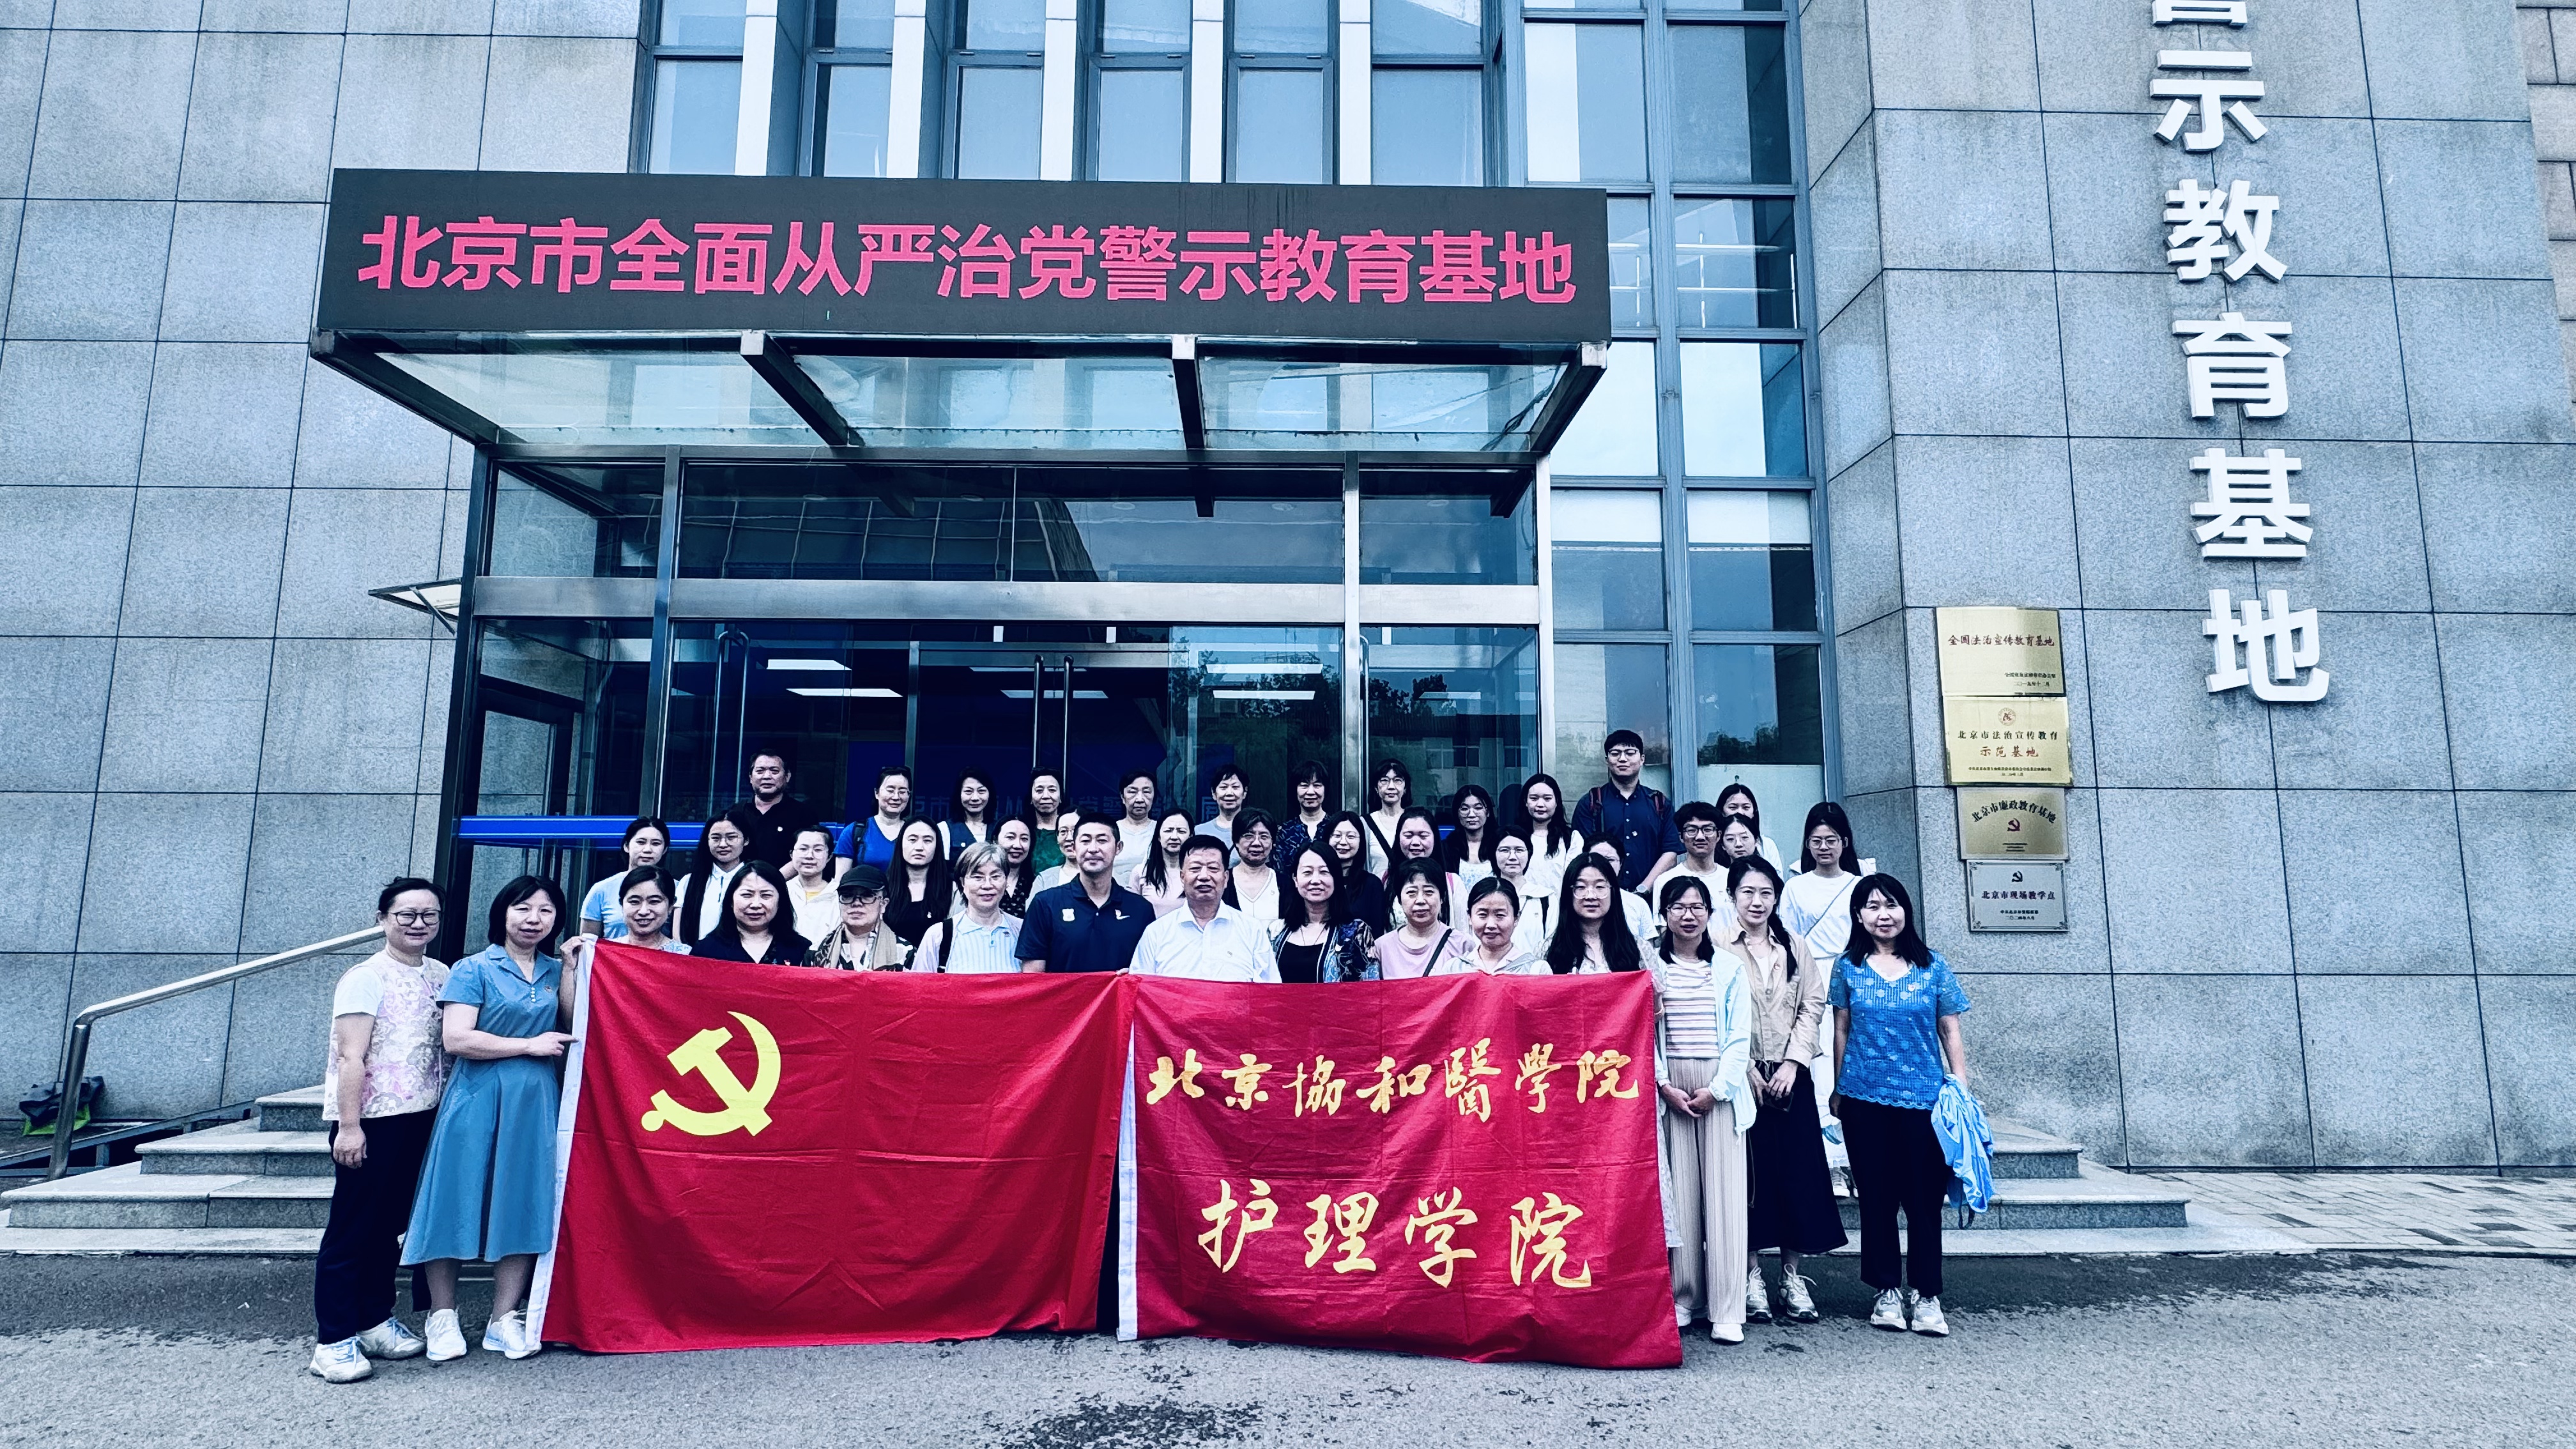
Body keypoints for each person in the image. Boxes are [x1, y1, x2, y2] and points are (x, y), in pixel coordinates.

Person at [402, 875, 575, 1363]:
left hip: (535, 1101)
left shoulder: (555, 969)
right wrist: (528, 1044)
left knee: (523, 1201)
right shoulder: (473, 967)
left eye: (545, 911)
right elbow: (457, 1038)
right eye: (523, 908)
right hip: (477, 1096)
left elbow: (571, 1023)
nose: (533, 919)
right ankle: (442, 1314)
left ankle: (504, 1317)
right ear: (502, 913)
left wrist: (571, 968)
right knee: (453, 1199)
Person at [309, 878, 450, 1384]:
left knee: (388, 1227)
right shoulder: (365, 977)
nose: (418, 923)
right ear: (382, 919)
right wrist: (349, 1127)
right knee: (351, 1229)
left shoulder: (440, 973)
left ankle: (373, 1320)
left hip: (420, 1116)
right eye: (406, 914)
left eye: (429, 915)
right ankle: (333, 1339)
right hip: (371, 1119)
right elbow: (352, 1055)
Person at [1830, 873, 1972, 1338]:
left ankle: (1927, 1295)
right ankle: (1886, 1290)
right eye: (1872, 907)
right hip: (1863, 1101)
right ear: (1859, 917)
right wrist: (1838, 1088)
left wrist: (1960, 1087)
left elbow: (1950, 1029)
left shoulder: (1933, 965)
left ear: (1905, 911)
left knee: (1924, 1202)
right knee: (1876, 1200)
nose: (1883, 915)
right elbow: (1841, 1029)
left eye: (1891, 905)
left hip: (1925, 1102)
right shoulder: (1848, 967)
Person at [1722, 855, 1844, 1324]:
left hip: (1792, 1077)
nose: (1757, 902)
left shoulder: (1794, 944)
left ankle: (1792, 1277)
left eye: (1766, 893)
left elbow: (1813, 1004)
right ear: (1732, 896)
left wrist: (1794, 1063)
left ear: (1777, 898)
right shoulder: (1718, 945)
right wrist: (1744, 1068)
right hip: (1742, 1078)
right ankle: (1751, 1275)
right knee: (1750, 1180)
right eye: (1747, 892)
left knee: (1797, 1176)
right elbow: (1716, 1012)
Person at [1648, 875, 1755, 1343]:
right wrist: (1663, 1084)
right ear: (1664, 914)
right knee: (1682, 1196)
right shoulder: (1652, 967)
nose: (1688, 915)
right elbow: (1644, 1033)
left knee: (1725, 1197)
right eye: (1678, 907)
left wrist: (1719, 1088)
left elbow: (1740, 1036)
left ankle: (1728, 1306)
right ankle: (1686, 1296)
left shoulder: (1729, 967)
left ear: (1710, 914)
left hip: (1719, 1084)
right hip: (1672, 1084)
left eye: (1697, 907)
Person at [1130, 835, 1281, 981]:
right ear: (1182, 877)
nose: (1204, 876)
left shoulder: (1252, 930)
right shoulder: (1156, 933)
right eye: (1195, 868)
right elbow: (1139, 988)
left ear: (1226, 878)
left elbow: (1271, 990)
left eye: (1213, 868)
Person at [1016, 816, 1154, 974]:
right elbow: (1033, 976)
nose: (1093, 849)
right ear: (1074, 848)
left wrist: (1134, 975)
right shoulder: (1045, 904)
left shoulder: (1141, 909)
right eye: (1085, 841)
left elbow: (1149, 972)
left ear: (1118, 848)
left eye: (1102, 841)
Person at [1572, 730, 1681, 895]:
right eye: (1615, 753)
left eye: (1630, 753)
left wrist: (1644, 889)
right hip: (1603, 897)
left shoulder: (1659, 803)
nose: (1623, 759)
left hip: (1649, 897)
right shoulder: (1590, 803)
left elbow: (1670, 854)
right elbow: (1583, 854)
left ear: (1642, 759)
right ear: (1607, 760)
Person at [1272, 843, 1377, 983]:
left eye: (1324, 872)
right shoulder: (1276, 931)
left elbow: (1371, 987)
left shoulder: (1356, 932)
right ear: (1295, 879)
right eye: (1307, 872)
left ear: (1336, 879)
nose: (1316, 880)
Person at [913, 842, 1023, 974]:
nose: (987, 885)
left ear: (1006, 881)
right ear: (963, 883)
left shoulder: (1022, 931)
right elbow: (919, 985)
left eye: (996, 877)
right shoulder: (938, 936)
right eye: (978, 877)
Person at [1781, 802, 1866, 962]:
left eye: (1831, 841)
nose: (1823, 847)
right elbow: (1788, 934)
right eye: (1816, 841)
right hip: (1809, 967)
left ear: (1844, 842)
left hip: (1851, 966)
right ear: (1808, 844)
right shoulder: (1794, 887)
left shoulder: (1859, 885)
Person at [691, 861, 811, 966]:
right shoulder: (705, 952)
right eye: (747, 895)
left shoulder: (801, 950)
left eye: (766, 895)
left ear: (780, 902)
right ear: (731, 901)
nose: (756, 904)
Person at [1544, 857, 1643, 976]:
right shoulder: (1548, 949)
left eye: (1600, 887)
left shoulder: (1639, 948)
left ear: (1613, 892)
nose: (1591, 896)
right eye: (1581, 887)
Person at [1374, 859, 1469, 979]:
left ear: (1442, 897)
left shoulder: (1463, 945)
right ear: (1399, 900)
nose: (1420, 900)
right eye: (1411, 892)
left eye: (1429, 892)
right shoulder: (1381, 948)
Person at [1432, 876, 1544, 976]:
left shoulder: (1536, 971)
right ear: (1469, 917)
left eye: (1500, 915)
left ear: (1516, 918)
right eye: (1483, 915)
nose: (1491, 925)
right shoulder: (1454, 969)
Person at [578, 816, 668, 939]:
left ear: (665, 849)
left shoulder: (678, 889)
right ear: (626, 846)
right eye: (641, 842)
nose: (648, 849)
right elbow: (588, 942)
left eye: (656, 843)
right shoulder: (602, 889)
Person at [804, 864, 907, 970]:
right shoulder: (816, 952)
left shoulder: (905, 953)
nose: (856, 903)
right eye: (847, 896)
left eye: (867, 896)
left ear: (883, 904)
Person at [677, 808, 754, 946]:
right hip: (695, 957)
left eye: (731, 837)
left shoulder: (758, 881)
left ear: (746, 840)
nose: (723, 844)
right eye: (716, 838)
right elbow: (678, 935)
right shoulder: (689, 882)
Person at [735, 749, 824, 868]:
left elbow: (807, 855)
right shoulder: (736, 813)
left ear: (787, 776)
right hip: (742, 878)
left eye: (774, 771)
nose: (767, 776)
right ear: (751, 777)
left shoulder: (804, 815)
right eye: (760, 771)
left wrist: (774, 878)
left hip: (786, 879)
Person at [1381, 806, 1461, 928]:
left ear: (1435, 838)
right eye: (1408, 836)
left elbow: (1462, 932)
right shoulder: (1384, 880)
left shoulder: (1453, 883)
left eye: (1423, 836)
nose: (1415, 842)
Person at [1517, 773, 1588, 903]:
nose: (1540, 804)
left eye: (1547, 799)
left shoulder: (1571, 839)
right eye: (1534, 798)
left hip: (1558, 909)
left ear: (1557, 802)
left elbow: (1573, 879)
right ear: (1525, 802)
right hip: (1522, 908)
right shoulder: (1514, 837)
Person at [834, 764, 914, 873]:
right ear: (877, 793)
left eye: (902, 792)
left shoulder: (915, 832)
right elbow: (841, 879)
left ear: (909, 796)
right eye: (890, 790)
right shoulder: (854, 831)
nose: (896, 797)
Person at [1318, 811, 1386, 937]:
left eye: (1351, 836)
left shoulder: (1372, 884)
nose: (1343, 842)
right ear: (1327, 839)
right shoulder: (1318, 881)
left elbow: (1377, 934)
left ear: (1361, 841)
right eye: (1337, 836)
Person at [884, 818, 951, 947]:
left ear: (937, 846)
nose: (919, 847)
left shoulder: (953, 890)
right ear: (901, 844)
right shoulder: (883, 889)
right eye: (912, 840)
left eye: (927, 841)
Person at [1223, 810, 1282, 937]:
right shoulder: (1222, 882)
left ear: (1273, 842)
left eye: (1264, 837)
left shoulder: (1285, 884)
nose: (1256, 843)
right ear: (1236, 841)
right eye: (1248, 836)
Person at [1130, 808, 1197, 917]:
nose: (1174, 837)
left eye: (1181, 831)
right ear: (1158, 836)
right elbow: (1132, 913)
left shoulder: (1198, 873)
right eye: (1168, 830)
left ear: (1190, 836)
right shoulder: (1141, 872)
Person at [782, 827, 842, 943]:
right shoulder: (781, 891)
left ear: (829, 856)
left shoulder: (839, 895)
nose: (809, 856)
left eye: (818, 850)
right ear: (791, 854)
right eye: (803, 849)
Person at [610, 867, 690, 954]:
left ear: (671, 906)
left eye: (654, 901)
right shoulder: (604, 953)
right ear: (622, 904)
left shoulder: (685, 956)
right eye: (635, 902)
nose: (643, 912)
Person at [1715, 783, 1786, 869]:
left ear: (1754, 812)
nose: (1740, 812)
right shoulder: (1712, 844)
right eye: (1733, 807)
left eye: (1746, 807)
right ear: (1721, 811)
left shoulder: (1767, 845)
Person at [1440, 785, 1499, 887]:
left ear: (1488, 812)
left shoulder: (1500, 844)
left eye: (1478, 808)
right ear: (1457, 813)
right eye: (1465, 809)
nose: (1471, 815)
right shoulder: (1446, 848)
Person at [979, 815, 1036, 919]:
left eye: (1024, 839)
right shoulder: (980, 881)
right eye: (1010, 837)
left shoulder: (1036, 884)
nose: (1017, 845)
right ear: (995, 840)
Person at [1276, 760, 1333, 861]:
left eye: (1317, 785)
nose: (1311, 792)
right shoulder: (1284, 831)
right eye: (1304, 785)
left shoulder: (1335, 827)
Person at [1362, 759, 1411, 875]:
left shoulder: (1415, 820)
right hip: (1377, 887)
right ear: (1376, 787)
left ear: (1405, 788)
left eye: (1398, 780)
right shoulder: (1365, 823)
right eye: (1384, 781)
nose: (1391, 787)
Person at [939, 769, 1000, 858]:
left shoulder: (1000, 829)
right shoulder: (944, 829)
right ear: (959, 795)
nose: (975, 798)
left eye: (981, 791)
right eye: (968, 791)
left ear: (990, 794)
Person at [1111, 770, 1160, 880]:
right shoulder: (1110, 831)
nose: (1140, 799)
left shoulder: (1162, 831)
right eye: (1133, 792)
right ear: (1122, 797)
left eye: (1146, 792)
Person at [1023, 769, 1068, 874]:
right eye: (1039, 791)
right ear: (1031, 798)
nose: (1046, 796)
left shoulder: (1071, 832)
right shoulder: (1022, 830)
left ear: (1061, 798)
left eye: (1052, 790)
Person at [1030, 809, 1083, 895]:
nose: (1069, 838)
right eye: (1063, 831)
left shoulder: (1104, 875)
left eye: (1075, 830)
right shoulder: (1044, 880)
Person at [1198, 763, 1249, 850]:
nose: (1229, 793)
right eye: (1224, 787)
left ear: (1245, 792)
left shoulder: (1254, 831)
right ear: (1214, 793)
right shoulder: (1200, 831)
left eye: (1235, 787)